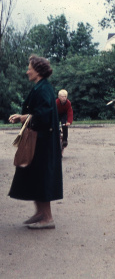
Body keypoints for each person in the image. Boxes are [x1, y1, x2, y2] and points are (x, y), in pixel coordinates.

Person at [8, 55, 63, 229]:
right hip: (38, 140)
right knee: (35, 176)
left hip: (42, 142)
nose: (27, 71)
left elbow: (43, 116)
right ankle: (40, 213)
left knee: (42, 177)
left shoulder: (43, 89)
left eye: (29, 68)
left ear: (37, 70)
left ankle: (47, 218)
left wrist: (22, 117)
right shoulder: (41, 87)